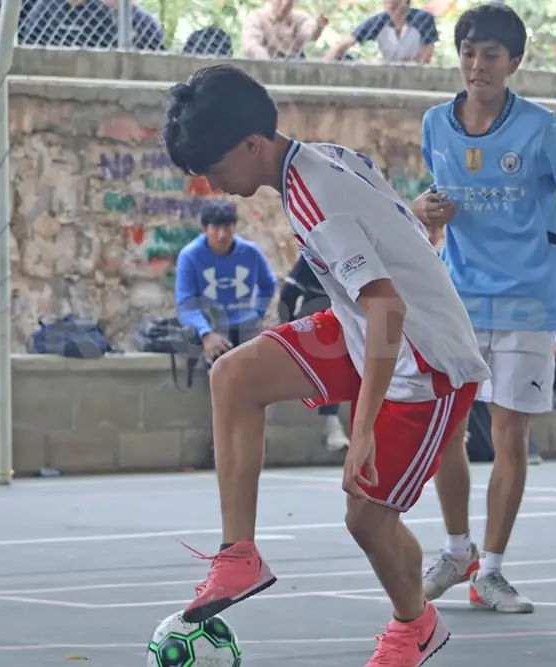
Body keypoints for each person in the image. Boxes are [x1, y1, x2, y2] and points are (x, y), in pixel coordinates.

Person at [162, 63, 491, 666]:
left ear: (252, 145)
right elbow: (392, 227)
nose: (210, 184)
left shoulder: (315, 197)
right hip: (365, 327)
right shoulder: (324, 158)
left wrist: (360, 428)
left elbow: (388, 306)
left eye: (213, 168)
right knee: (234, 375)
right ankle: (240, 555)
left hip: (424, 358)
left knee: (366, 518)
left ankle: (415, 625)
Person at [412, 3, 556, 614]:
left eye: (492, 55)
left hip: (527, 298)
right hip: (459, 298)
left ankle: (492, 572)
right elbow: (431, 205)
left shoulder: (540, 127)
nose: (478, 65)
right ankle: (455, 550)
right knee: (444, 427)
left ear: (515, 62)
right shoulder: (435, 124)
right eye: (469, 52)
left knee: (511, 435)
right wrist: (424, 214)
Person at [174, 199, 277, 363]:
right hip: (213, 327)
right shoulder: (190, 256)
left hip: (245, 326)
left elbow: (268, 284)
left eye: (227, 227)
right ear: (205, 229)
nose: (222, 234)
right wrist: (205, 333)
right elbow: (185, 303)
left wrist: (258, 313)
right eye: (216, 228)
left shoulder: (250, 252)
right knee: (222, 371)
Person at [277, 253, 351, 451]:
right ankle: (331, 421)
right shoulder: (314, 252)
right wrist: (288, 331)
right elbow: (288, 295)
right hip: (318, 321)